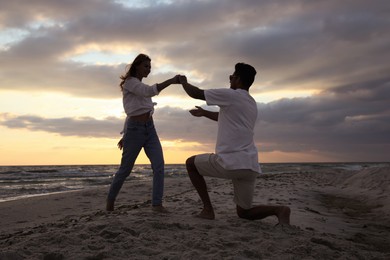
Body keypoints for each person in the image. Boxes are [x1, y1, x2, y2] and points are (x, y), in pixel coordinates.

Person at [179, 63, 291, 224]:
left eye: (232, 76)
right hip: (250, 165)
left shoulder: (232, 95)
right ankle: (279, 210)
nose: (230, 79)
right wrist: (204, 113)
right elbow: (225, 117)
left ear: (238, 79)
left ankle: (208, 210)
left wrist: (183, 81)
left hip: (229, 162)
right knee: (244, 212)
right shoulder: (251, 103)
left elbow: (196, 93)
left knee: (191, 164)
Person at [106, 53, 180, 212]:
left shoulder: (138, 85)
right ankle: (110, 201)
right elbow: (147, 93)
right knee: (125, 170)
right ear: (137, 66)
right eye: (146, 66)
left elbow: (134, 109)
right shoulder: (130, 83)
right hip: (135, 131)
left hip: (150, 129)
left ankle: (157, 204)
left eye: (150, 67)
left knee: (159, 165)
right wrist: (172, 81)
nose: (149, 70)